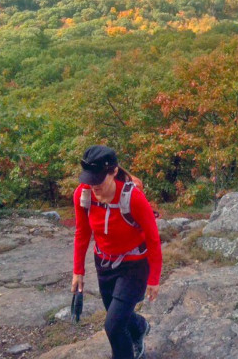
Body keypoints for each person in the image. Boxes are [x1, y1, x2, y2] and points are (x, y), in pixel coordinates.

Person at [71, 145, 162, 359]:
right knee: (117, 315)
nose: (93, 185)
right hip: (104, 263)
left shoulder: (133, 198)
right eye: (89, 178)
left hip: (135, 264)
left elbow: (153, 238)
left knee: (112, 326)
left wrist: (154, 277)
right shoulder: (83, 194)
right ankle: (139, 327)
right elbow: (82, 232)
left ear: (113, 172)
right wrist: (78, 270)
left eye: (98, 179)